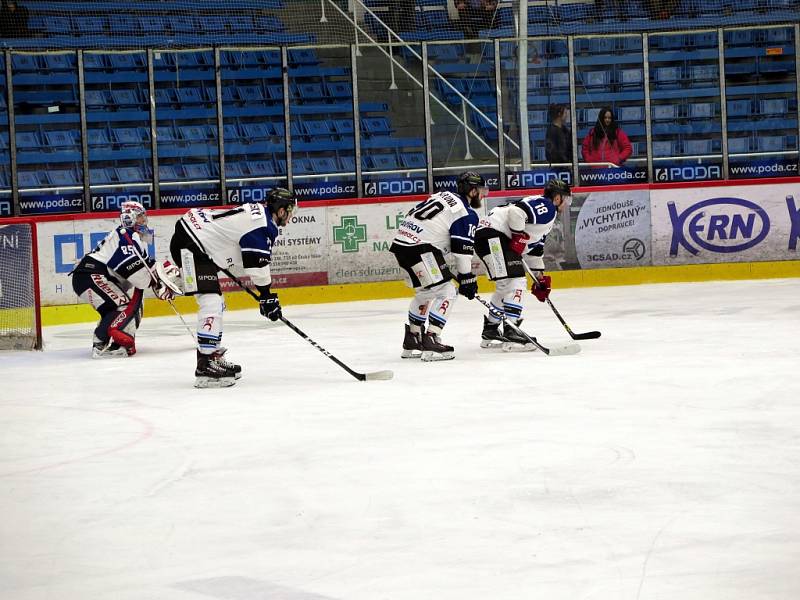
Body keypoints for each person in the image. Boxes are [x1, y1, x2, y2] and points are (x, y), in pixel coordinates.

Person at [168, 188, 297, 388]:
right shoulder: (262, 225)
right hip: (191, 244)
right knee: (212, 303)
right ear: (281, 211)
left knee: (217, 303)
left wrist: (266, 296)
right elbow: (257, 264)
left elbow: (243, 253)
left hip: (194, 237)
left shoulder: (260, 216)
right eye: (290, 211)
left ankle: (212, 356)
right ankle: (205, 364)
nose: (290, 217)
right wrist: (266, 296)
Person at [389, 171, 485, 361]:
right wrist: (467, 278)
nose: (484, 195)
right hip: (422, 249)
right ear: (473, 191)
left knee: (425, 293)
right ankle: (432, 338)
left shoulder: (441, 195)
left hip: (401, 246)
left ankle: (413, 338)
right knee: (448, 291)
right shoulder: (465, 213)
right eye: (482, 191)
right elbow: (461, 252)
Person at [474, 178, 571, 350]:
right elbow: (516, 213)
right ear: (557, 198)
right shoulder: (547, 207)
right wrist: (518, 235)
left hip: (486, 237)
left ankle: (491, 329)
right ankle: (512, 330)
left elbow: (534, 251)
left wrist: (539, 278)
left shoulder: (544, 220)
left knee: (504, 285)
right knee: (516, 281)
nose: (566, 204)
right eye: (567, 200)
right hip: (495, 236)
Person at [70, 201, 175, 358]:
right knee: (122, 307)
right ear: (129, 218)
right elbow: (139, 277)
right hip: (90, 276)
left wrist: (160, 277)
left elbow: (147, 267)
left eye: (143, 216)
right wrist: (156, 282)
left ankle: (112, 343)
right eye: (139, 217)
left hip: (91, 276)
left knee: (120, 308)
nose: (143, 220)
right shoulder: (126, 235)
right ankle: (100, 345)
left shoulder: (133, 237)